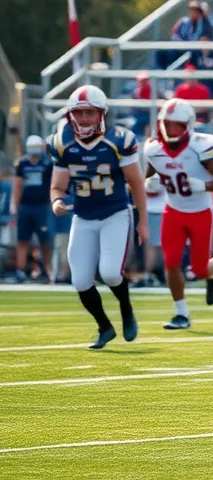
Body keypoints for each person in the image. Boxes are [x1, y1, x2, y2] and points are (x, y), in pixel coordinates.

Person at [48, 87, 148, 348]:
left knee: (110, 273)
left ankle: (126, 309)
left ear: (101, 113)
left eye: (89, 112)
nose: (83, 118)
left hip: (115, 212)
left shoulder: (119, 141)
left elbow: (136, 184)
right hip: (83, 216)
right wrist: (57, 201)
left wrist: (143, 221)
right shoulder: (62, 142)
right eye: (78, 113)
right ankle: (104, 327)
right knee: (80, 280)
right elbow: (58, 186)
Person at [143, 100, 213, 330]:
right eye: (167, 125)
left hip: (200, 212)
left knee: (200, 270)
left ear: (188, 125)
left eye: (176, 125)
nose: (171, 131)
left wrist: (203, 185)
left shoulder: (201, 146)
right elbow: (145, 178)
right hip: (172, 211)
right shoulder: (153, 149)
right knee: (170, 263)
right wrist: (147, 184)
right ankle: (181, 314)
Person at [12, 135, 52, 281]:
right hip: (25, 206)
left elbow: (53, 185)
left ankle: (46, 270)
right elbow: (17, 185)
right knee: (22, 239)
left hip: (42, 206)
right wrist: (14, 207)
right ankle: (20, 270)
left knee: (45, 241)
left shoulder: (47, 164)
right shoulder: (22, 164)